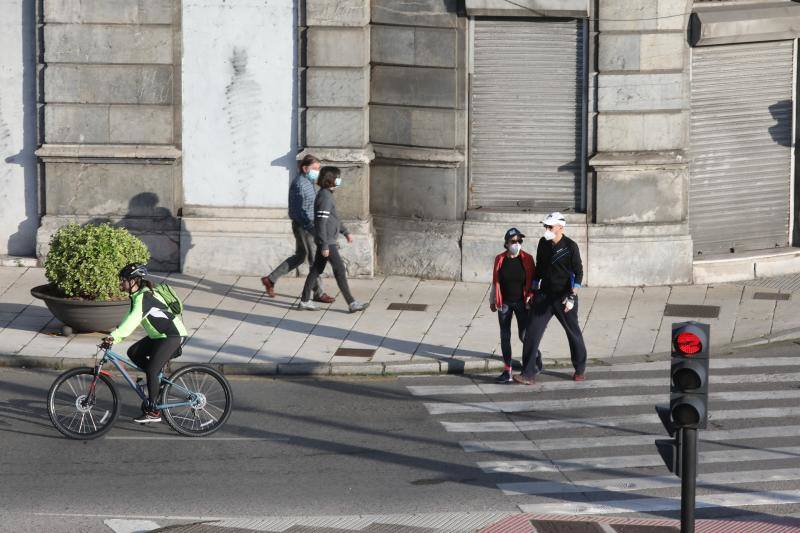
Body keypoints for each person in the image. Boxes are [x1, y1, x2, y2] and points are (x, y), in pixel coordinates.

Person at [101, 263, 187, 423]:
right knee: (133, 352)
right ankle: (157, 385)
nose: (121, 283)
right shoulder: (138, 296)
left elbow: (133, 321)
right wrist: (114, 333)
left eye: (124, 280)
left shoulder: (144, 297)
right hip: (159, 336)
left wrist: (114, 337)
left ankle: (153, 412)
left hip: (172, 335)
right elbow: (129, 317)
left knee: (152, 370)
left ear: (133, 281)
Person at [514, 212, 588, 385]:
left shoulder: (571, 247)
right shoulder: (543, 243)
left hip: (564, 297)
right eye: (545, 226)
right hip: (544, 296)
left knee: (573, 333)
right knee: (531, 332)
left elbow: (579, 273)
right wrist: (532, 290)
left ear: (560, 227)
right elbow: (539, 268)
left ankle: (580, 368)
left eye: (550, 227)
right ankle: (528, 373)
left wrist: (572, 295)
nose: (546, 229)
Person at [261, 154, 335, 304]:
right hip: (305, 227)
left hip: (308, 226)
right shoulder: (299, 185)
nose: (317, 171)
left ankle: (270, 279)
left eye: (318, 169)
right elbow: (296, 211)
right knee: (315, 260)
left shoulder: (310, 182)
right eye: (315, 169)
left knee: (300, 257)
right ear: (305, 168)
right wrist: (310, 228)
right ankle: (319, 293)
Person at [299, 166, 369, 313]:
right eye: (338, 177)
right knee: (340, 270)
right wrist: (324, 245)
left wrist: (345, 232)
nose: (339, 180)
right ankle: (352, 303)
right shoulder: (325, 196)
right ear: (330, 179)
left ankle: (305, 301)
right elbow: (321, 222)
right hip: (327, 241)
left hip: (327, 239)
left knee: (317, 269)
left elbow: (333, 218)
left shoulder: (327, 194)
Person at [489, 228, 537, 383]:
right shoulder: (500, 259)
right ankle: (507, 370)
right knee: (505, 336)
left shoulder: (527, 259)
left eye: (519, 241)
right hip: (504, 303)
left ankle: (535, 359)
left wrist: (532, 297)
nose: (517, 244)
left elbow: (534, 282)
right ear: (506, 243)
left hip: (522, 303)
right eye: (514, 241)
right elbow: (495, 281)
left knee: (524, 335)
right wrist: (492, 300)